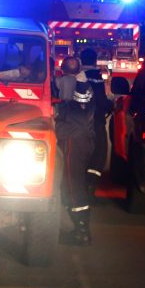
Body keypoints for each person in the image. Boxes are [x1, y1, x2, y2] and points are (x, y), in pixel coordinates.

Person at [55, 55, 96, 245]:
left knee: (73, 184)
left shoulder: (74, 84)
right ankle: (81, 228)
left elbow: (75, 105)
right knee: (74, 182)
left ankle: (81, 232)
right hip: (81, 138)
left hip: (73, 138)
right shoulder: (82, 83)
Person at [79, 48, 112, 195]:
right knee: (100, 150)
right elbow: (100, 99)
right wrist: (110, 106)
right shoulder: (97, 77)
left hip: (77, 122)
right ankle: (91, 182)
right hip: (96, 121)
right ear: (95, 61)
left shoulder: (78, 76)